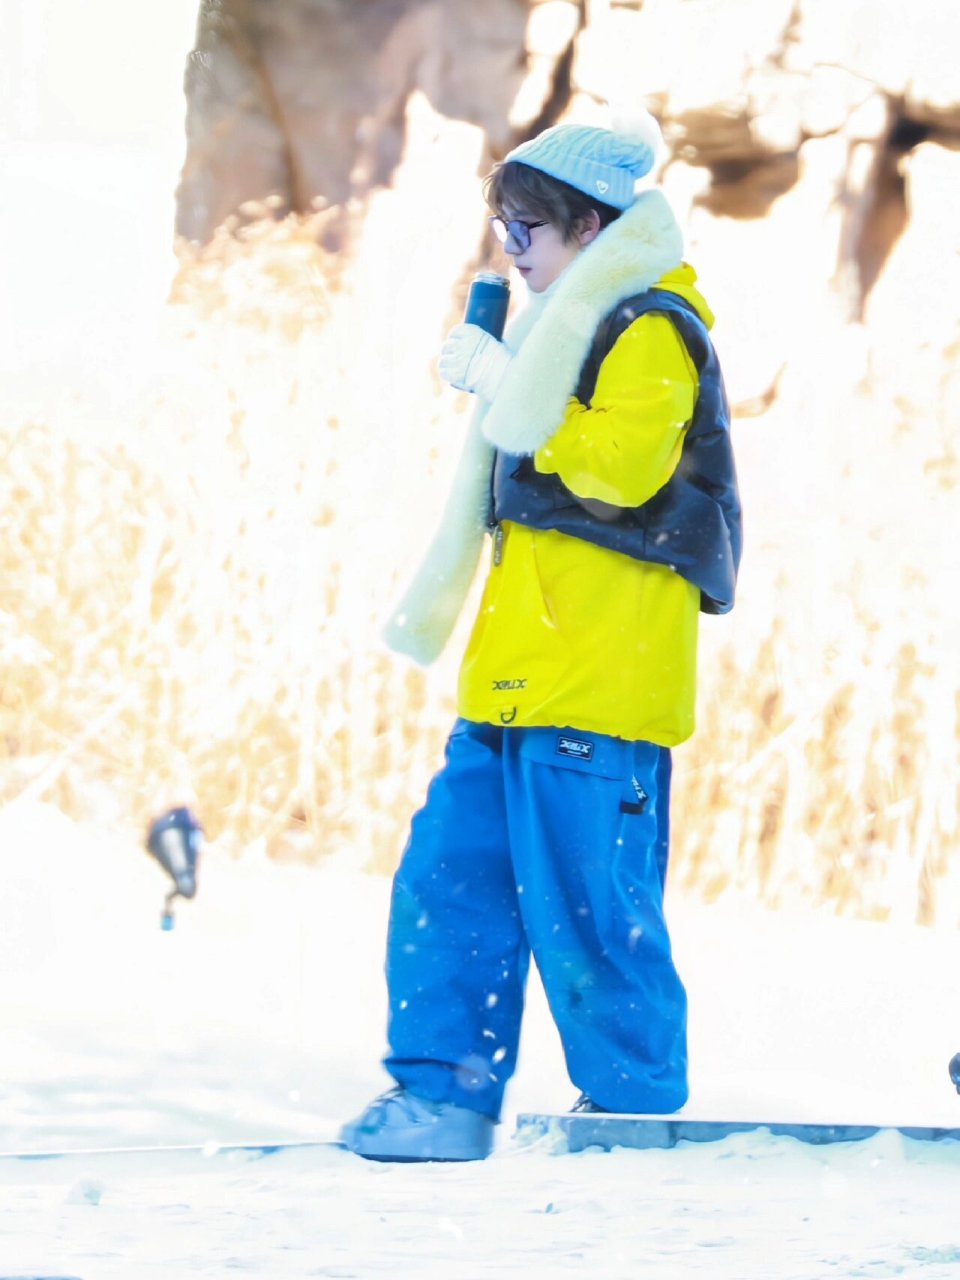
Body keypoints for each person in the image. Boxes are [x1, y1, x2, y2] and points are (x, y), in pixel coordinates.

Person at [340, 111, 742, 1161]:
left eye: (528, 231)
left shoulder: (650, 327)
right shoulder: (551, 337)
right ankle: (443, 1095)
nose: (510, 252)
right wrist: (505, 375)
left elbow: (621, 469)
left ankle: (632, 1106)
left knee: (591, 912)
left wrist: (502, 386)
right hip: (512, 683)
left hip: (600, 690)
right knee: (449, 883)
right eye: (502, 229)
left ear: (591, 226)